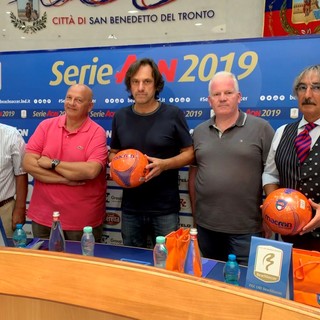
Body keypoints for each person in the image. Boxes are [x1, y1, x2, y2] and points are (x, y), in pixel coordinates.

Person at [188, 71, 275, 266]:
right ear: (210, 101)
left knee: (243, 287)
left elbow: (273, 175)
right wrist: (195, 214)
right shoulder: (200, 132)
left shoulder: (261, 128)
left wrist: (271, 217)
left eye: (228, 92)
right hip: (206, 227)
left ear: (239, 97)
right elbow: (194, 174)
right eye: (217, 95)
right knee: (212, 282)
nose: (222, 98)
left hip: (246, 229)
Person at [109, 57, 194, 248]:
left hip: (165, 209)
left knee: (169, 263)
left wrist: (164, 165)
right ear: (129, 85)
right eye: (135, 82)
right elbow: (113, 152)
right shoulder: (120, 116)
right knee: (132, 264)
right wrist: (117, 165)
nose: (140, 87)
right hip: (131, 208)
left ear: (156, 85)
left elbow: (190, 153)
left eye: (146, 81)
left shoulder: (173, 114)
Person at [23, 84, 108, 242]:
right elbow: (28, 164)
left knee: (80, 266)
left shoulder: (97, 132)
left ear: (90, 106)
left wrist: (53, 163)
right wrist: (64, 179)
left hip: (81, 222)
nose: (71, 103)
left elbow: (90, 171)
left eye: (78, 100)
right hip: (43, 217)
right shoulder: (46, 126)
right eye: (69, 98)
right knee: (42, 266)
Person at [263, 64, 320, 251]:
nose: (308, 94)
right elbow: (270, 174)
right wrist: (273, 203)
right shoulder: (282, 132)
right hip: (288, 238)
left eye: (317, 87)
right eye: (302, 88)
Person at [0, 124, 28, 237]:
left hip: (4, 210)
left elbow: (21, 173)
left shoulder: (11, 135)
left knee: (5, 254)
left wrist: (20, 209)